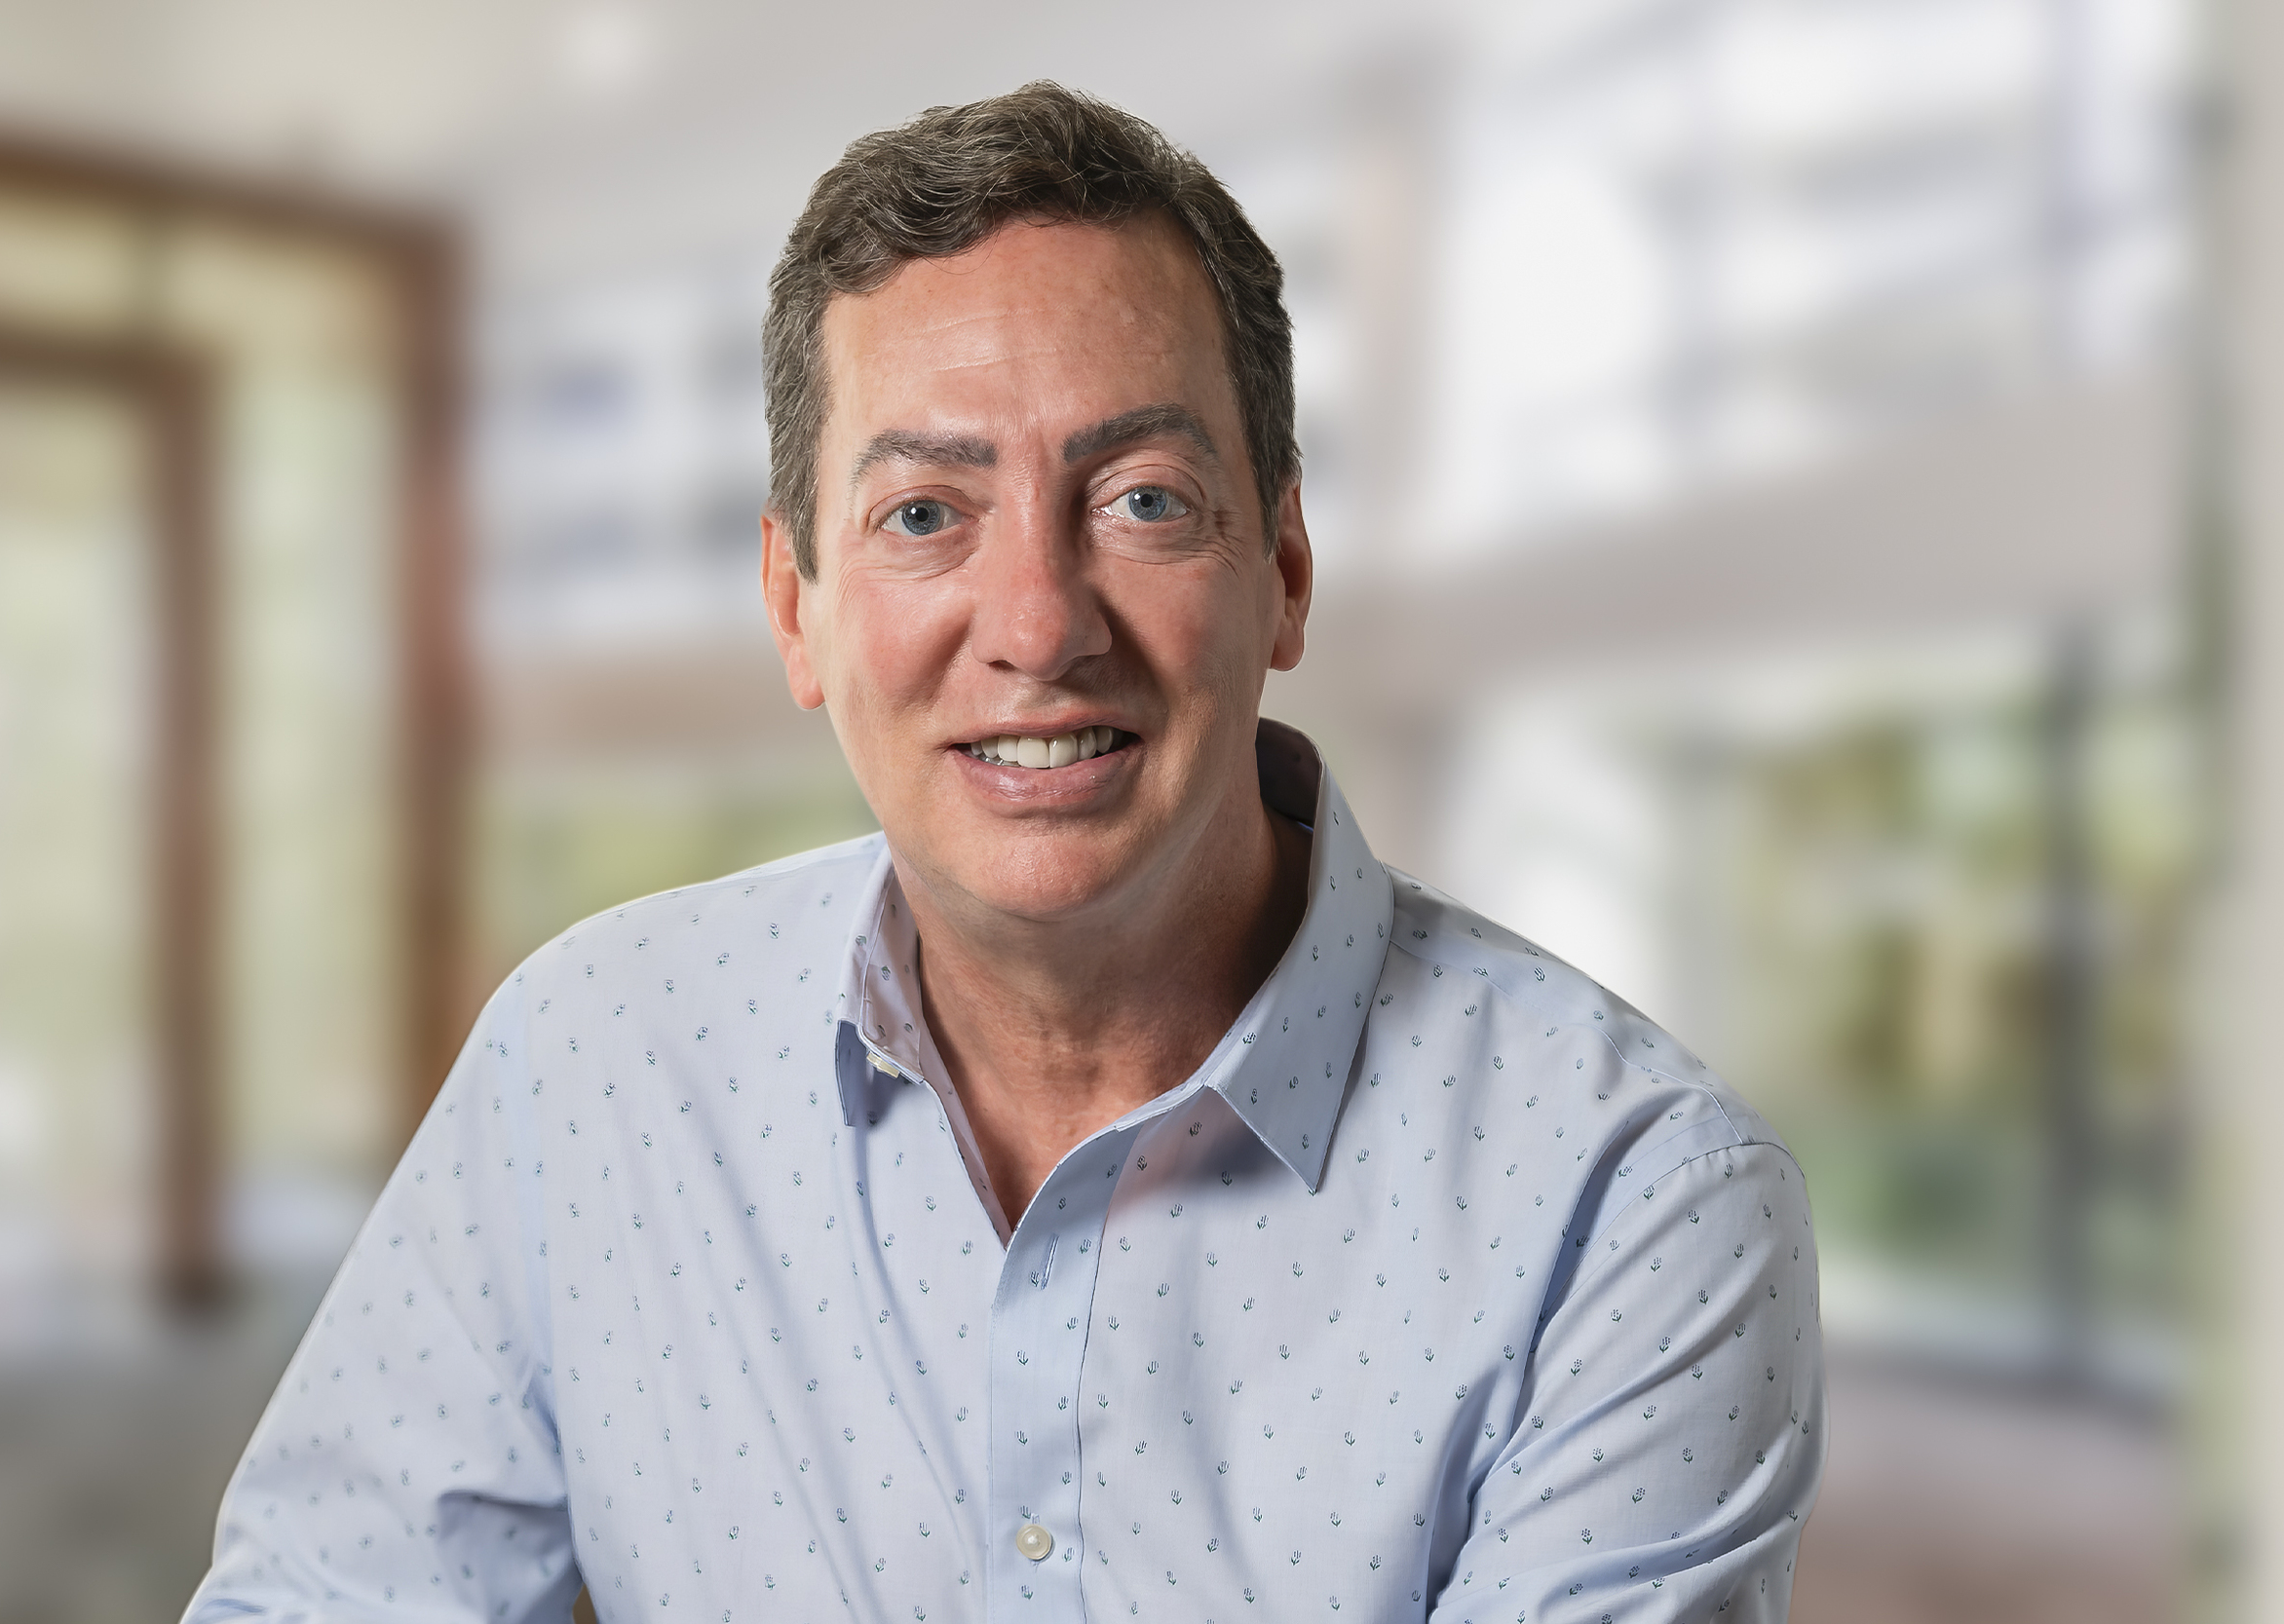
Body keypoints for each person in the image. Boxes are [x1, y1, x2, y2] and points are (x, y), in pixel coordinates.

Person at [183, 82, 1823, 1624]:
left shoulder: (1635, 1208)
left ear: (1290, 567)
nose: (1038, 625)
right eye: (922, 515)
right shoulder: (588, 1068)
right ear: (794, 607)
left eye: (1144, 501)